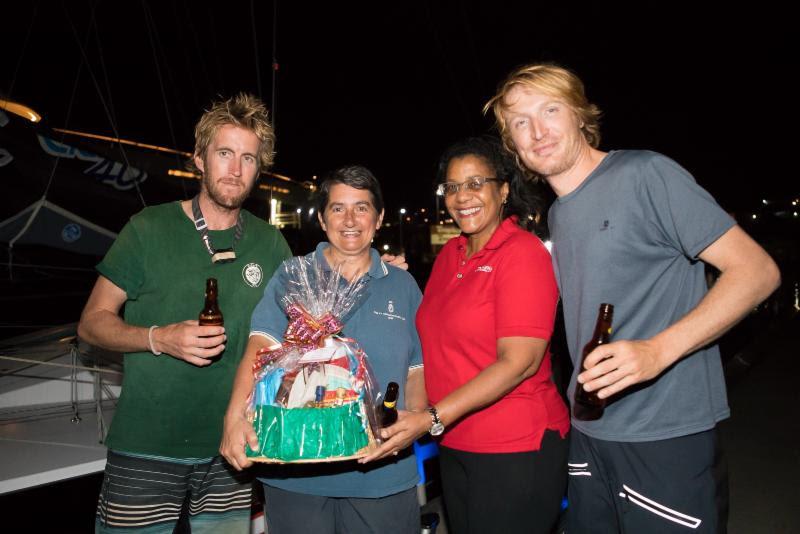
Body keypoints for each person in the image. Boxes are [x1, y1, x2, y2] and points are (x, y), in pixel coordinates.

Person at [486, 63, 781, 533]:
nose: (537, 131)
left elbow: (757, 272)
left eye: (550, 110)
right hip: (589, 428)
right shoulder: (559, 215)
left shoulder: (646, 173)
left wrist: (657, 351)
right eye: (520, 122)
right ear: (513, 145)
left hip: (663, 432)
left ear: (580, 116)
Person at [78, 93, 293, 532]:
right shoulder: (147, 229)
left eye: (248, 158)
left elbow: (301, 327)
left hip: (232, 447)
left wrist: (369, 273)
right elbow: (92, 323)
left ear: (258, 169)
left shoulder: (271, 245)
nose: (235, 169)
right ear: (199, 159)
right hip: (146, 445)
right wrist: (159, 338)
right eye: (225, 154)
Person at [366, 136, 570, 534]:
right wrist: (382, 282)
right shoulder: (450, 256)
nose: (463, 197)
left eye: (476, 183)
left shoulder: (523, 253)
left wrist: (431, 418)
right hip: (455, 443)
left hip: (515, 447)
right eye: (453, 187)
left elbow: (519, 363)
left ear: (504, 190)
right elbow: (430, 339)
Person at [220, 165, 426, 534]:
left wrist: (413, 421)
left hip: (381, 474)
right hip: (296, 469)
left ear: (379, 219)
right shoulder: (292, 275)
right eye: (337, 208)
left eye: (362, 208)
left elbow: (416, 368)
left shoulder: (403, 284)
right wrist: (234, 417)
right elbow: (261, 346)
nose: (350, 219)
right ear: (321, 218)